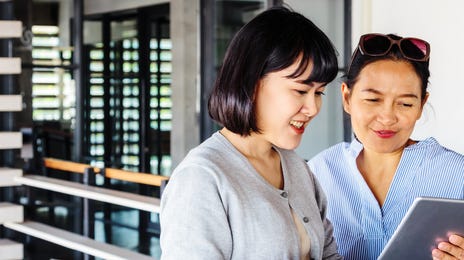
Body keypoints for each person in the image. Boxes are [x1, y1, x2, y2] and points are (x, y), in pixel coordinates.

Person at [160, 6, 343, 260]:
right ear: (251, 83)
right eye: (301, 91)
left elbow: (328, 253)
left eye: (319, 93)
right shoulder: (201, 179)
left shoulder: (297, 167)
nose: (313, 108)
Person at [308, 33, 464, 260]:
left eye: (405, 103)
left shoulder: (457, 174)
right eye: (373, 100)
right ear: (347, 98)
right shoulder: (317, 173)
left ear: (421, 105)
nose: (387, 117)